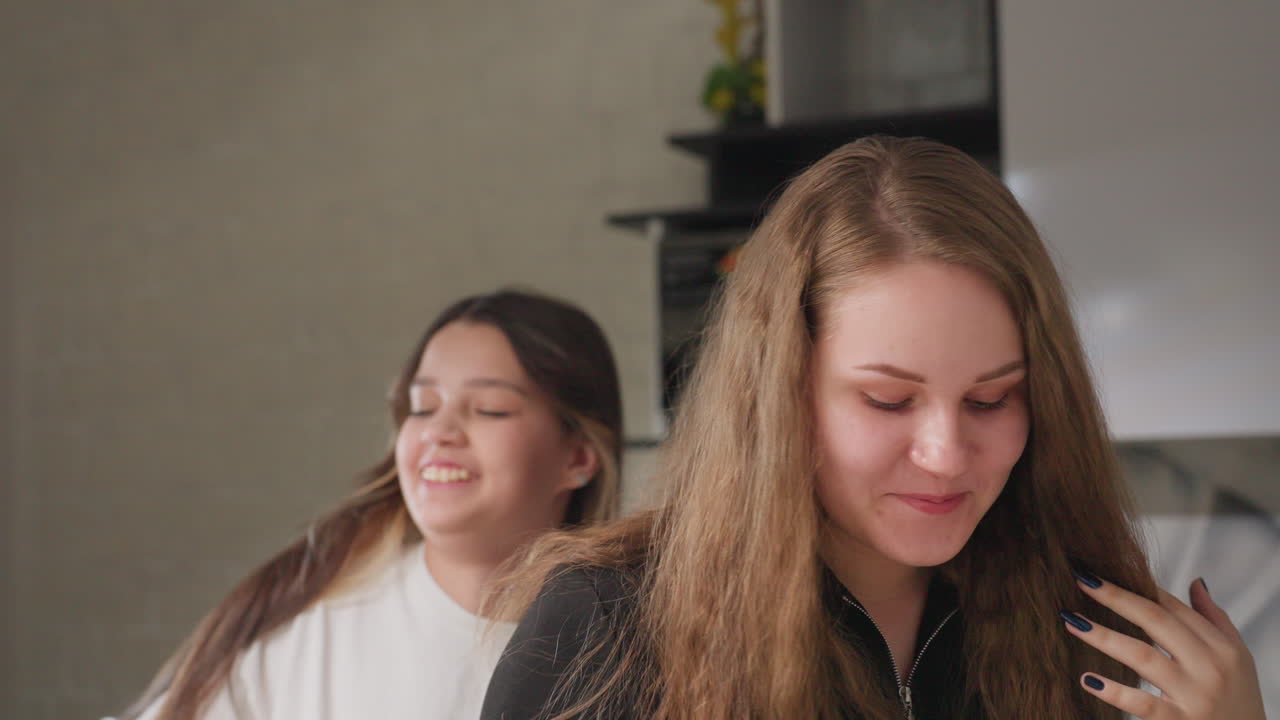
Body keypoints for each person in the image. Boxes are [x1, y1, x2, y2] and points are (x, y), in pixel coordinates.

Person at [479, 138, 1267, 720]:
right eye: (888, 401)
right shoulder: (604, 625)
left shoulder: (1082, 630)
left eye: (991, 400)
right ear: (781, 397)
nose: (945, 455)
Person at [118, 289, 624, 720]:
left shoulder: (621, 650)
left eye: (489, 409)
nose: (439, 432)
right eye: (422, 408)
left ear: (578, 458)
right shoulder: (306, 629)